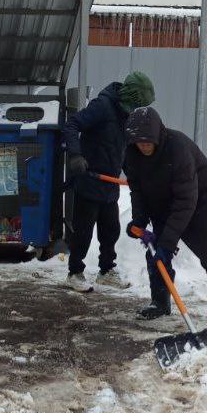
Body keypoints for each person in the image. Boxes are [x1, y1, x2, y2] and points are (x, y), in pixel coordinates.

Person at [123, 106, 207, 336]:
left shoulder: (177, 149)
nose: (144, 147)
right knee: (155, 254)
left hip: (201, 203)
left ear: (158, 135)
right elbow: (137, 189)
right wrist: (139, 219)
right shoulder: (132, 154)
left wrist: (168, 245)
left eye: (148, 142)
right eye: (139, 143)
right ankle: (160, 303)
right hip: (164, 204)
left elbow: (185, 201)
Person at [63, 71, 155, 292]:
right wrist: (75, 155)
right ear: (128, 97)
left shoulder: (127, 116)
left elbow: (120, 150)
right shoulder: (102, 107)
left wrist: (134, 175)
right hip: (89, 179)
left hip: (109, 182)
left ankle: (106, 271)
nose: (136, 111)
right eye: (135, 105)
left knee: (110, 230)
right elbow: (72, 125)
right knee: (83, 232)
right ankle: (75, 273)